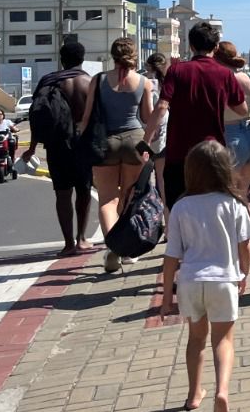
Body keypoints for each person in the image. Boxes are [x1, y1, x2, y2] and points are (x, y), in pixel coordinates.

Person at [158, 139, 250, 412]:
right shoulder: (234, 205)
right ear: (226, 169)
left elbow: (171, 257)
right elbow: (246, 248)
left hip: (190, 282)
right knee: (223, 341)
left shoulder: (181, 206)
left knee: (196, 340)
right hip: (223, 281)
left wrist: (166, 296)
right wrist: (243, 274)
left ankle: (193, 394)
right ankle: (222, 391)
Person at [146, 23, 246, 209]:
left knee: (177, 207)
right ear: (216, 47)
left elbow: (161, 107)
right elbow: (243, 110)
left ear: (191, 46)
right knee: (213, 207)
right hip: (212, 153)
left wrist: (145, 142)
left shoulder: (176, 71)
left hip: (179, 153)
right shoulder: (225, 75)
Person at [82, 37, 155, 273]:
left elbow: (87, 117)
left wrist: (81, 141)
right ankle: (129, 251)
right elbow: (147, 117)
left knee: (107, 199)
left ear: (112, 56)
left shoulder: (99, 80)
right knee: (131, 197)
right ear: (134, 55)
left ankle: (112, 247)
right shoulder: (144, 82)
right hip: (134, 140)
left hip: (106, 143)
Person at [20, 38, 95, 258]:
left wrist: (32, 148)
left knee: (62, 194)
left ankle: (68, 243)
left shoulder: (48, 82)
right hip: (82, 145)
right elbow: (98, 118)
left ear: (62, 60)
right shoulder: (89, 83)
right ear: (82, 59)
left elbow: (38, 118)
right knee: (84, 192)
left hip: (56, 146)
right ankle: (82, 238)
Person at [215, 42, 250, 208]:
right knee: (242, 193)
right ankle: (248, 232)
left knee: (227, 191)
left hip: (231, 135)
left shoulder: (225, 78)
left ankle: (233, 232)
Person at [144, 53, 171, 200]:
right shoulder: (167, 83)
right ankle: (165, 216)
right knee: (162, 179)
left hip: (143, 131)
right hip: (163, 132)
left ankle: (146, 213)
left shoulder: (142, 81)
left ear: (148, 65)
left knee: (143, 178)